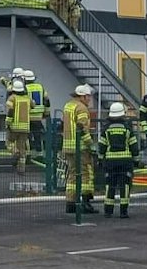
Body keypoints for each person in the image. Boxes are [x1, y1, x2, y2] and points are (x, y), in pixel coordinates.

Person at [98, 101, 137, 218]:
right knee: (125, 186)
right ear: (122, 114)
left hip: (110, 163)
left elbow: (102, 147)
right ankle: (123, 212)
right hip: (125, 162)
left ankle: (108, 211)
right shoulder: (127, 129)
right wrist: (136, 160)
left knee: (110, 186)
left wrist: (100, 160)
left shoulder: (106, 129)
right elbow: (134, 146)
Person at [61, 84, 96, 214]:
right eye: (88, 97)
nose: (89, 99)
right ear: (83, 96)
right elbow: (82, 128)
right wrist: (91, 145)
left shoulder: (68, 106)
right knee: (85, 174)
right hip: (80, 147)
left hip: (68, 146)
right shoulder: (82, 108)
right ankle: (85, 203)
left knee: (72, 175)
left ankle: (70, 203)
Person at [5, 78, 34, 173]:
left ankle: (15, 152)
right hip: (25, 127)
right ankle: (21, 169)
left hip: (14, 126)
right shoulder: (27, 98)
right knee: (22, 148)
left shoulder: (12, 98)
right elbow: (33, 105)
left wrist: (8, 122)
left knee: (9, 142)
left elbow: (10, 110)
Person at [23, 70, 48, 155]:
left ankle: (28, 154)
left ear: (25, 79)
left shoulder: (24, 88)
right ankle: (40, 153)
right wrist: (46, 113)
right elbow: (46, 100)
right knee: (38, 135)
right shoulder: (40, 87)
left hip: (27, 116)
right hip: (38, 116)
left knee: (27, 136)